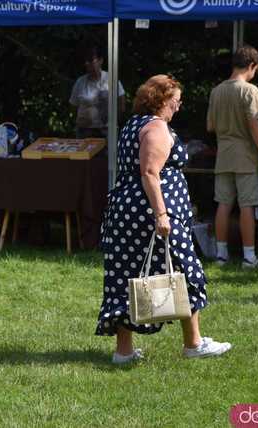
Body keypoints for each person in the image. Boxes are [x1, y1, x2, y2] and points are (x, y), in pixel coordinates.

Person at [96, 75, 231, 364]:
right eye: (175, 101)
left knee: (125, 276)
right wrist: (161, 214)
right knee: (185, 270)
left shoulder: (133, 124)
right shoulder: (156, 127)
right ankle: (193, 344)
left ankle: (124, 352)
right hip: (150, 213)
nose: (178, 107)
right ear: (159, 101)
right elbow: (149, 173)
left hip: (127, 212)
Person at [207, 45, 258, 269]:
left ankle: (221, 255)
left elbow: (210, 126)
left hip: (223, 155)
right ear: (251, 65)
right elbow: (255, 126)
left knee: (223, 204)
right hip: (245, 155)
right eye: (256, 70)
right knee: (247, 206)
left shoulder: (216, 91)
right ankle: (249, 257)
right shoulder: (250, 90)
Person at [69, 45, 125, 138]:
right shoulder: (80, 82)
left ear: (100, 61)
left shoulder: (111, 79)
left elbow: (121, 105)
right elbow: (73, 105)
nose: (87, 63)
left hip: (107, 131)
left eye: (91, 60)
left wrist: (112, 121)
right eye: (86, 61)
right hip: (84, 131)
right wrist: (83, 119)